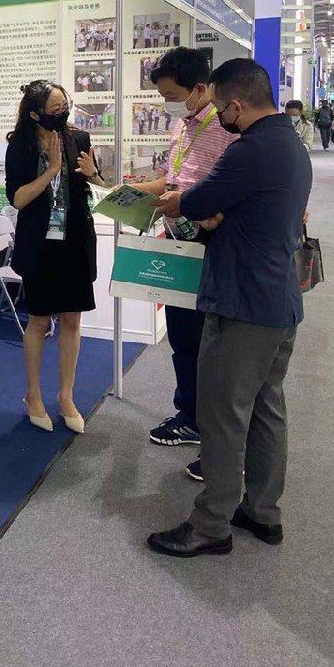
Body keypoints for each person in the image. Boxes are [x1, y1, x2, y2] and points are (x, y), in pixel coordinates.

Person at [148, 59, 312, 558]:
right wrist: (212, 212)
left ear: (237, 105)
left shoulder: (250, 150)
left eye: (221, 108)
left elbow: (198, 202)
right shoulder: (291, 144)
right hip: (279, 300)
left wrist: (191, 206)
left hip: (243, 304)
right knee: (266, 409)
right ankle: (262, 512)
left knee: (222, 415)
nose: (219, 116)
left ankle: (210, 524)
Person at [136, 49, 238, 473]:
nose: (167, 104)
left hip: (210, 244)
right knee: (182, 335)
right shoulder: (183, 124)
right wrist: (133, 193)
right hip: (178, 239)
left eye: (171, 96)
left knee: (211, 344)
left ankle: (217, 439)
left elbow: (232, 190)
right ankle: (190, 416)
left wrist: (197, 207)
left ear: (199, 88)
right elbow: (175, 178)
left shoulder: (228, 130)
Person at [5, 81, 105, 435]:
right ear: (35, 114)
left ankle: (66, 396)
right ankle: (33, 395)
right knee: (38, 321)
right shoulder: (20, 145)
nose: (63, 113)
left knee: (72, 321)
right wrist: (50, 171)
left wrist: (93, 174)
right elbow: (18, 199)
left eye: (65, 105)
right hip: (40, 246)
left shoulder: (79, 138)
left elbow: (98, 185)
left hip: (74, 243)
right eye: (55, 109)